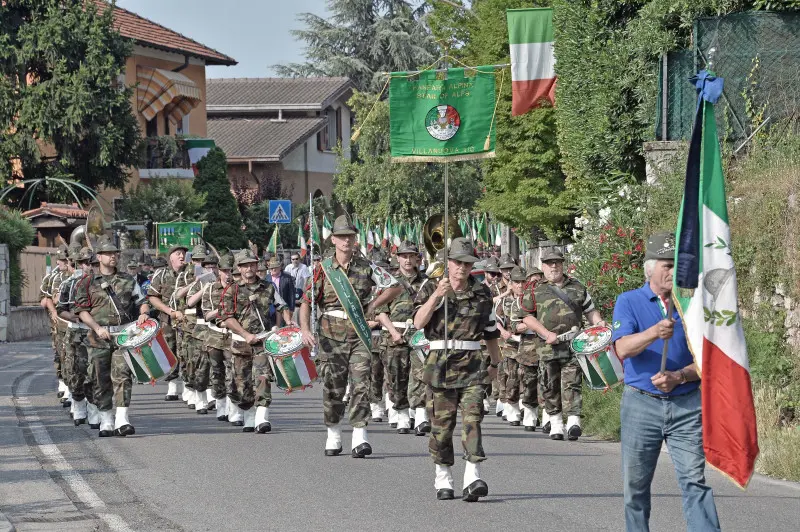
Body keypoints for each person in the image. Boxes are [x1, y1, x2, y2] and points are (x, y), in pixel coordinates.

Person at [613, 232, 720, 532]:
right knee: (635, 487)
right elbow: (621, 349)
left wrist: (680, 376)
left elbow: (710, 359)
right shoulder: (629, 301)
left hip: (686, 404)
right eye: (665, 263)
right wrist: (653, 333)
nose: (672, 270)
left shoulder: (695, 303)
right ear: (650, 268)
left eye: (676, 263)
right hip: (641, 404)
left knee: (695, 481)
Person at [413, 237, 501, 502]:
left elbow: (491, 332)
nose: (462, 268)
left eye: (467, 263)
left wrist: (495, 363)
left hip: (473, 365)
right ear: (447, 263)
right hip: (440, 364)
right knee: (442, 427)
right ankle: (443, 476)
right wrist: (437, 297)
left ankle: (473, 477)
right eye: (457, 262)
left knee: (473, 420)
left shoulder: (482, 292)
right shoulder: (432, 286)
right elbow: (418, 322)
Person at [300, 215, 376, 458]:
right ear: (333, 239)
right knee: (334, 385)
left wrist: (374, 309)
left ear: (355, 239)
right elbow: (306, 302)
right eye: (342, 236)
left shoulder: (366, 267)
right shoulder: (322, 269)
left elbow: (392, 287)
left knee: (361, 382)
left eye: (350, 236)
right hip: (331, 337)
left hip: (359, 336)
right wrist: (305, 329)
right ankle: (333, 430)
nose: (346, 240)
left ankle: (359, 435)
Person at [521, 248, 605, 440]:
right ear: (543, 266)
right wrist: (545, 333)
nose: (554, 266)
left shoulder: (577, 286)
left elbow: (590, 310)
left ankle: (574, 421)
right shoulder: (534, 289)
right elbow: (526, 317)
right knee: (549, 384)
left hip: (574, 344)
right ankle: (556, 422)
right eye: (549, 263)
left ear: (562, 264)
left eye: (557, 262)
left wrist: (598, 324)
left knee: (573, 382)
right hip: (547, 346)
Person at [75, 236, 149, 437]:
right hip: (98, 337)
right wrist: (97, 328)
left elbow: (142, 300)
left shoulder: (128, 280)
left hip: (124, 335)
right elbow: (82, 311)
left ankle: (122, 419)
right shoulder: (87, 283)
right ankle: (106, 419)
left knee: (123, 375)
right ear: (99, 257)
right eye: (108, 253)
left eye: (115, 253)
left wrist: (143, 312)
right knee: (99, 378)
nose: (113, 256)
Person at [219, 249, 291, 433]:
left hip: (262, 341)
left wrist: (286, 324)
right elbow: (227, 318)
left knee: (263, 377)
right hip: (240, 343)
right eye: (244, 265)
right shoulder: (232, 290)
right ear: (239, 268)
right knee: (241, 385)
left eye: (252, 264)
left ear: (257, 265)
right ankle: (250, 415)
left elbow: (281, 306)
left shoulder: (268, 287)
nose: (249, 268)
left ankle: (262, 418)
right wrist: (244, 334)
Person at [376, 241, 429, 435]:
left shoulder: (426, 282)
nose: (407, 260)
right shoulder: (389, 281)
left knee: (421, 374)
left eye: (411, 256)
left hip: (419, 335)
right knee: (397, 377)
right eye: (403, 256)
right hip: (393, 335)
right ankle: (403, 413)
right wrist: (393, 332)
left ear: (417, 258)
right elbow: (380, 311)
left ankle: (421, 414)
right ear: (397, 258)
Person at [56, 247, 94, 425]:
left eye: (91, 262)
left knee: (97, 373)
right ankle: (78, 403)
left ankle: (95, 409)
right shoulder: (69, 284)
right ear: (78, 264)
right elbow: (61, 310)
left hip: (97, 332)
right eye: (85, 263)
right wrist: (74, 316)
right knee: (76, 372)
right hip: (77, 331)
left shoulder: (102, 283)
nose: (88, 266)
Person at [147, 244, 189, 400]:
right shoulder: (162, 274)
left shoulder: (190, 274)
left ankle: (188, 387)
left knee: (186, 352)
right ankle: (172, 387)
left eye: (184, 253)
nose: (181, 256)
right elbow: (152, 297)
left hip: (187, 320)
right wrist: (169, 311)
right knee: (170, 351)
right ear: (171, 257)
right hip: (167, 320)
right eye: (178, 253)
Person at [40, 245, 70, 405]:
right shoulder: (52, 278)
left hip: (72, 321)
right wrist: (53, 307)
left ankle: (72, 389)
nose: (63, 263)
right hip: (57, 324)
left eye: (66, 260)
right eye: (61, 260)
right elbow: (43, 300)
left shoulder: (73, 276)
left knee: (72, 355)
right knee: (60, 354)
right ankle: (62, 383)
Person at [267, 257, 296, 326]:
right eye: (271, 268)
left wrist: (291, 309)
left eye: (275, 267)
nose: (273, 269)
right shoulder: (266, 278)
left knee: (284, 327)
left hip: (284, 308)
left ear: (280, 267)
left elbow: (291, 294)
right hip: (271, 310)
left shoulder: (287, 278)